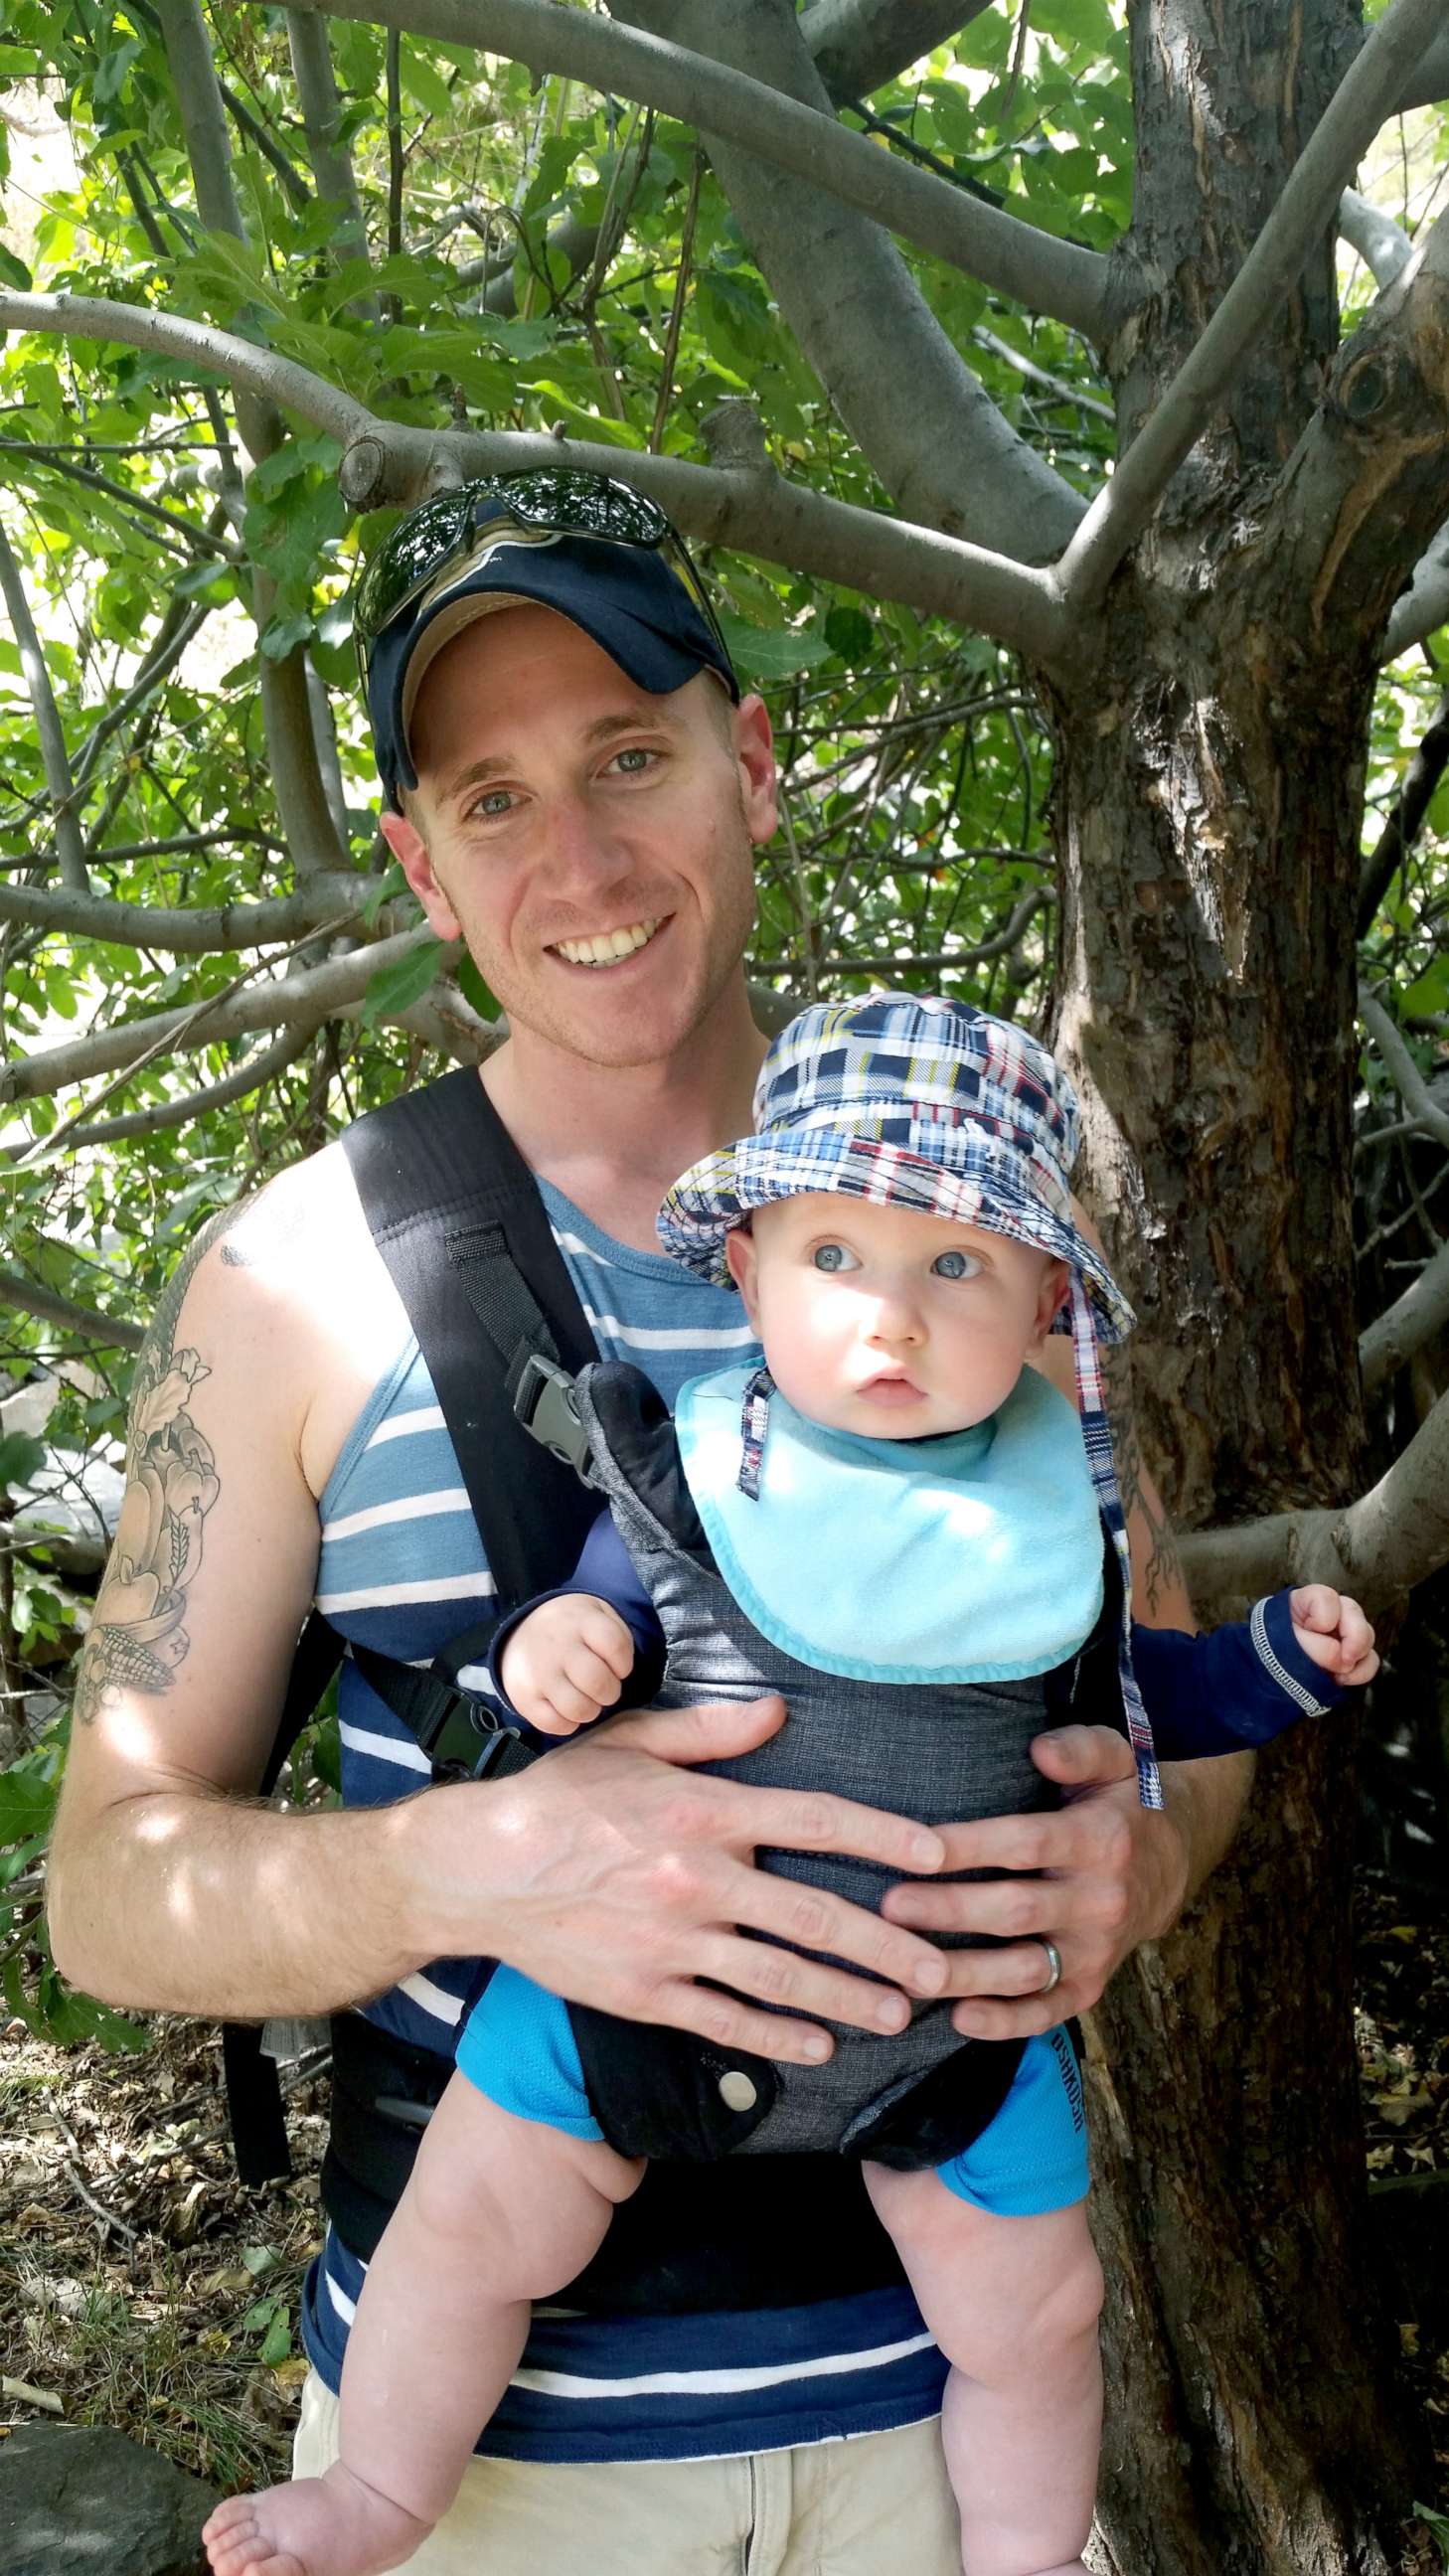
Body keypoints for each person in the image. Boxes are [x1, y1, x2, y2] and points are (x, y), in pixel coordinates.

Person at [52, 470, 1262, 2575]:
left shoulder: (975, 1207)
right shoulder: (296, 1283)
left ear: (754, 764)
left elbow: (1177, 1709)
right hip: (497, 2469)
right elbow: (104, 1889)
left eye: (632, 756)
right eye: (497, 800)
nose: (585, 858)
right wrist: (471, 1862)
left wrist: (1136, 1862)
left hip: (944, 2433)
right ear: (423, 871)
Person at [199, 994, 1375, 2576]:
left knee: (1038, 2311)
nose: (889, 1319)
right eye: (835, 1261)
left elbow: (1144, 1702)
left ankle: (1020, 2555)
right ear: (747, 1274)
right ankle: (383, 2495)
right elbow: (612, 1611)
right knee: (472, 2225)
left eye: (954, 1265)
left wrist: (1277, 1665)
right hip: (629, 1994)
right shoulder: (694, 1468)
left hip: (945, 2017)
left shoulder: (1053, 1515)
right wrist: (558, 1646)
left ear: (1043, 1308)